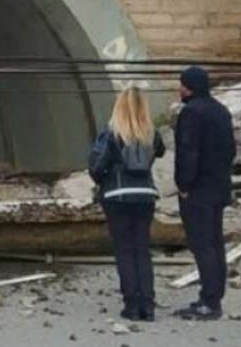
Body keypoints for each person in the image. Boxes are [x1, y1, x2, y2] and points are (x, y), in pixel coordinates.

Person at [88, 85, 167, 322]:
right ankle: (148, 304)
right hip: (145, 195)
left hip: (117, 195)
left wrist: (101, 180)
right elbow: (160, 152)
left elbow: (96, 165)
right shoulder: (151, 134)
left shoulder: (111, 133)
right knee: (142, 249)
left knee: (125, 249)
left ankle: (131, 304)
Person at [173, 66, 236, 321]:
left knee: (201, 244)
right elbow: (231, 150)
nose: (179, 88)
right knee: (215, 242)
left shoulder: (191, 113)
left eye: (182, 84)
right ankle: (214, 295)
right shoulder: (221, 111)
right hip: (219, 186)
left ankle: (209, 301)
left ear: (190, 86)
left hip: (198, 189)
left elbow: (188, 153)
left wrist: (184, 184)